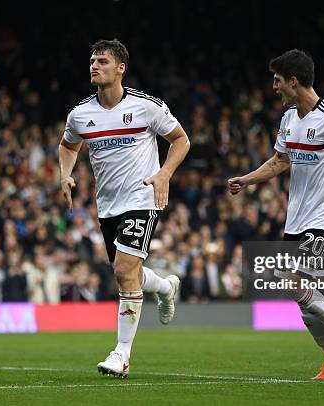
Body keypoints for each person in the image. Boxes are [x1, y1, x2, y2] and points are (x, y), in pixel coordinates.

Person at [228, 49, 324, 379]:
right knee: (302, 298)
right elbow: (280, 161)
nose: (275, 87)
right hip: (296, 219)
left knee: (292, 280)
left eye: (278, 81)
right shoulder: (289, 118)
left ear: (294, 82)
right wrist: (246, 180)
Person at [58, 39, 190, 378]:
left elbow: (181, 140)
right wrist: (65, 175)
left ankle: (122, 354)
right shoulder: (80, 114)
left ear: (121, 68)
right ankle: (164, 287)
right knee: (126, 271)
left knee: (122, 272)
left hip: (142, 199)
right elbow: (68, 145)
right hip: (108, 206)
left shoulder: (147, 107)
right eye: (91, 60)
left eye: (102, 60)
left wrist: (164, 174)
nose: (94, 65)